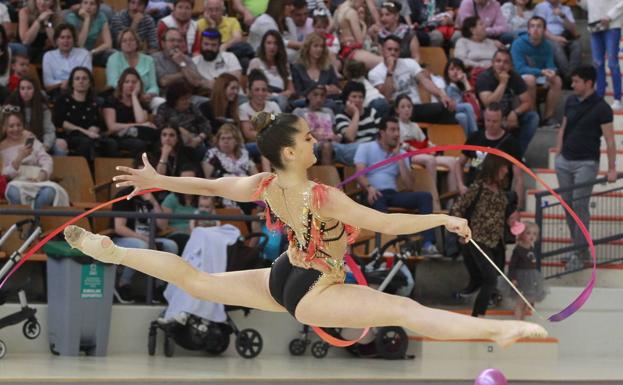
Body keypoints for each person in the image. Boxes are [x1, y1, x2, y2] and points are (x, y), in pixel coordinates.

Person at [64, 111, 548, 348]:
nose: (317, 140)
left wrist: (158, 179)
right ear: (292, 152)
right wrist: (442, 217)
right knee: (403, 308)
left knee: (196, 280)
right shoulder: (325, 197)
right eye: (309, 137)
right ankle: (496, 330)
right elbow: (385, 223)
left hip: (282, 273)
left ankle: (114, 252)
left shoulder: (265, 184)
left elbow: (212, 183)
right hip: (315, 286)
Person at [554, 65, 617, 265]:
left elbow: (610, 140)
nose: (572, 85)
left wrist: (612, 167)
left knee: (579, 205)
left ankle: (580, 252)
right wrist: (558, 152)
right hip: (564, 161)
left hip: (587, 163)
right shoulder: (570, 100)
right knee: (568, 205)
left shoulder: (602, 107)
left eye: (576, 81)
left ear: (589, 83)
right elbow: (564, 127)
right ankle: (578, 248)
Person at [354, 116, 440, 256]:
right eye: (392, 130)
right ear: (382, 133)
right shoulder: (366, 147)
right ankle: (386, 248)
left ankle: (428, 244)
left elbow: (409, 185)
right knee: (378, 198)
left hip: (392, 193)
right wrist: (369, 187)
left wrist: (399, 158)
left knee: (425, 197)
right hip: (371, 192)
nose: (396, 134)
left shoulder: (402, 154)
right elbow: (359, 174)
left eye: (398, 130)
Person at [450, 155, 518, 317]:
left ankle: (478, 312)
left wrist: (511, 221)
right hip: (477, 240)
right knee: (490, 280)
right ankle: (477, 316)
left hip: (495, 242)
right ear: (494, 168)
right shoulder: (478, 187)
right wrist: (460, 229)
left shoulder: (502, 193)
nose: (506, 170)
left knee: (489, 278)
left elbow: (503, 216)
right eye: (503, 167)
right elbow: (458, 207)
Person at [111, 184, 179, 303]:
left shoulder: (152, 196)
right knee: (141, 246)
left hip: (150, 239)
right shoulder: (124, 195)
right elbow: (119, 228)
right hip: (123, 239)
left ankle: (159, 287)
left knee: (171, 246)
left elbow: (163, 226)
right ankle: (123, 284)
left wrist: (154, 202)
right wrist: (144, 239)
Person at [395, 94, 467, 202]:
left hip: (421, 152)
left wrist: (433, 148)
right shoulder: (396, 125)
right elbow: (400, 145)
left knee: (453, 161)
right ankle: (433, 197)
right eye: (403, 107)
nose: (407, 109)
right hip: (408, 154)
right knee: (430, 160)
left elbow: (425, 141)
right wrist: (416, 150)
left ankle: (452, 202)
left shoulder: (414, 125)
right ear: (397, 110)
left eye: (409, 106)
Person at [369, 35, 456, 124]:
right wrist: (389, 71)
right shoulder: (375, 73)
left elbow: (425, 81)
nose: (393, 53)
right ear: (382, 50)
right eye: (389, 49)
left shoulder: (409, 63)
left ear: (400, 51)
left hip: (416, 106)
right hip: (396, 110)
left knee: (447, 108)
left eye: (396, 50)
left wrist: (442, 95)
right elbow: (386, 97)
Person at [1, 109, 68, 209]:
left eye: (19, 125)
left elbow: (46, 160)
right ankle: (28, 220)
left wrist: (43, 174)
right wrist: (19, 158)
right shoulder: (2, 148)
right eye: (11, 126)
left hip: (38, 180)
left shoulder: (31, 140)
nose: (16, 129)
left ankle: (35, 220)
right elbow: (4, 174)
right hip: (17, 182)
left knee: (49, 192)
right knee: (13, 192)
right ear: (4, 128)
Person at [476, 49, 539, 155]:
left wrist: (515, 113)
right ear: (492, 63)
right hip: (488, 119)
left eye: (506, 62)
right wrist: (503, 83)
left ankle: (517, 156)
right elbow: (489, 104)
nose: (501, 65)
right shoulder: (484, 77)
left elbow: (528, 102)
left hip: (508, 117)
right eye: (498, 61)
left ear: (511, 65)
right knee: (492, 118)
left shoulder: (515, 77)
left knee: (533, 117)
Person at [52, 67, 119, 163]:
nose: (81, 81)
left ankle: (111, 174)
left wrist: (95, 128)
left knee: (111, 143)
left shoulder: (94, 102)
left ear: (90, 82)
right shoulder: (63, 100)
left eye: (84, 78)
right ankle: (86, 173)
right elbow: (62, 123)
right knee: (85, 143)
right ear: (72, 83)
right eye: (77, 78)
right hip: (70, 135)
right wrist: (86, 132)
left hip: (91, 135)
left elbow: (99, 122)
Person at [510, 16, 562, 127]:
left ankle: (548, 117)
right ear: (528, 30)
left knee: (556, 80)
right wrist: (541, 71)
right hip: (520, 76)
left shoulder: (547, 45)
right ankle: (533, 116)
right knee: (530, 79)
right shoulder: (518, 44)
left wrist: (553, 72)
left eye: (539, 26)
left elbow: (550, 65)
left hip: (540, 75)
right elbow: (519, 68)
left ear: (544, 30)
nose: (535, 29)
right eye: (532, 26)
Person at [102, 68, 159, 155]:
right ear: (121, 84)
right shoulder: (112, 101)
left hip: (137, 135)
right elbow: (112, 127)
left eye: (134, 82)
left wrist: (134, 96)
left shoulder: (141, 103)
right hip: (117, 136)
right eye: (127, 82)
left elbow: (140, 120)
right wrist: (136, 125)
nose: (130, 85)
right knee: (140, 144)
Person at [578, 0, 623, 110]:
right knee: (598, 63)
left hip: (612, 24)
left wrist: (609, 16)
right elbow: (590, 5)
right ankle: (599, 97)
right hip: (595, 24)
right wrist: (580, 2)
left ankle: (617, 99)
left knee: (612, 63)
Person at [6, 77, 67, 155]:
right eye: (22, 88)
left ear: (35, 90)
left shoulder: (43, 108)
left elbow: (49, 132)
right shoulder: (11, 107)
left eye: (29, 88)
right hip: (16, 142)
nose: (25, 92)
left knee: (61, 144)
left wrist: (44, 147)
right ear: (18, 90)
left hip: (38, 143)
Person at [106, 28, 162, 112]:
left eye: (131, 40)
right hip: (123, 98)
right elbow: (113, 82)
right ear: (120, 44)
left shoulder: (148, 60)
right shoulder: (113, 59)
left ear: (137, 42)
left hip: (144, 98)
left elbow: (153, 85)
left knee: (160, 102)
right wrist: (134, 94)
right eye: (124, 41)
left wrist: (148, 94)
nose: (128, 43)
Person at [154, 80, 211, 162]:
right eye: (184, 99)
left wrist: (199, 138)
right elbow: (160, 125)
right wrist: (180, 129)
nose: (188, 101)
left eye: (189, 98)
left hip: (196, 141)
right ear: (175, 100)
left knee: (208, 153)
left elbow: (205, 123)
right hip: (175, 144)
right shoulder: (164, 108)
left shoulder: (192, 107)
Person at [505, 222, 547, 320]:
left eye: (534, 234)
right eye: (528, 233)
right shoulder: (518, 249)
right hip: (520, 279)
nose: (531, 236)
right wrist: (513, 278)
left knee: (525, 303)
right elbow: (512, 266)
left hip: (530, 279)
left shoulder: (532, 248)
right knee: (520, 302)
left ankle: (522, 321)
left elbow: (533, 264)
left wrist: (535, 281)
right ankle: (518, 323)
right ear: (522, 235)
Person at [333, 81, 382, 166]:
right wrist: (356, 113)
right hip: (355, 151)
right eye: (354, 97)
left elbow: (383, 133)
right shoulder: (341, 117)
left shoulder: (372, 112)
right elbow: (350, 137)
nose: (358, 100)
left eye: (361, 97)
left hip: (374, 148)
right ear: (346, 99)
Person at [247, 30, 296, 112]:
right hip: (262, 97)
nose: (272, 47)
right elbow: (249, 89)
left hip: (280, 97)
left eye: (275, 43)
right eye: (269, 43)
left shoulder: (284, 64)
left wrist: (278, 95)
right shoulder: (256, 62)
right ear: (264, 45)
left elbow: (291, 90)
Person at [533, 0, 580, 82]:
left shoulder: (566, 9)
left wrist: (563, 16)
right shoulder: (541, 7)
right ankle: (570, 78)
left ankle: (572, 75)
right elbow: (540, 28)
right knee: (556, 46)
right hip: (546, 38)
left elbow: (573, 30)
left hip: (564, 37)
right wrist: (556, 38)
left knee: (576, 45)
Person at [42, 24, 91, 99]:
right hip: (57, 91)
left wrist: (67, 83)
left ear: (74, 40)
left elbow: (87, 78)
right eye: (62, 37)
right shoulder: (48, 56)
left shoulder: (84, 54)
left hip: (81, 91)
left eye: (69, 37)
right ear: (56, 40)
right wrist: (62, 83)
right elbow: (48, 83)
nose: (66, 41)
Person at [292, 84, 337, 165]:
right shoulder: (299, 111)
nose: (319, 99)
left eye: (322, 96)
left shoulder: (329, 111)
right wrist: (312, 135)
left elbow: (333, 132)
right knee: (326, 146)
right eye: (315, 95)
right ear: (308, 95)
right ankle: (327, 177)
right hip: (309, 144)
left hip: (330, 143)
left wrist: (336, 137)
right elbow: (295, 132)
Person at [291, 32, 340, 104]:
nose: (319, 49)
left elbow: (335, 88)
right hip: (305, 104)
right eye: (315, 46)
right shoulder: (297, 68)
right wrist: (320, 89)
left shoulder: (328, 67)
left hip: (326, 103)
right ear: (308, 48)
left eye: (321, 46)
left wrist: (331, 89)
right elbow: (298, 93)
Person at [239, 69, 281, 150]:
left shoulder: (274, 106)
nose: (260, 93)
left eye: (264, 90)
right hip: (253, 146)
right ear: (250, 91)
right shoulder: (243, 108)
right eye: (256, 90)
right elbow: (248, 134)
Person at [332, 0, 382, 69]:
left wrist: (345, 39)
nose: (361, 5)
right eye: (362, 1)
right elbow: (360, 42)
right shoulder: (352, 13)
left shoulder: (338, 10)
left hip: (343, 53)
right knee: (383, 62)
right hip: (354, 52)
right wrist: (364, 27)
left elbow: (334, 30)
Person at [192, 29, 242, 93]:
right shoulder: (194, 62)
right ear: (201, 44)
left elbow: (234, 78)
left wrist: (210, 83)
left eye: (214, 45)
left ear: (219, 45)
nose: (209, 48)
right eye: (206, 44)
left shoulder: (229, 57)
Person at [64, 0, 112, 66]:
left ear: (97, 7)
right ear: (80, 5)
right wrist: (87, 19)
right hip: (75, 53)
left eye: (92, 4)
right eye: (85, 3)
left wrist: (92, 52)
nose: (88, 7)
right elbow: (79, 44)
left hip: (92, 52)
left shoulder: (101, 17)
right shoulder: (72, 18)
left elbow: (108, 44)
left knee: (114, 55)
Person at [443, 58, 479, 136]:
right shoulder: (448, 87)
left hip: (461, 113)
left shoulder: (462, 87)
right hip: (449, 111)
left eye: (458, 69)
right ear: (447, 73)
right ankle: (475, 137)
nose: (455, 72)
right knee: (467, 106)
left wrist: (465, 81)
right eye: (452, 69)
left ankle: (467, 142)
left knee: (462, 117)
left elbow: (474, 103)